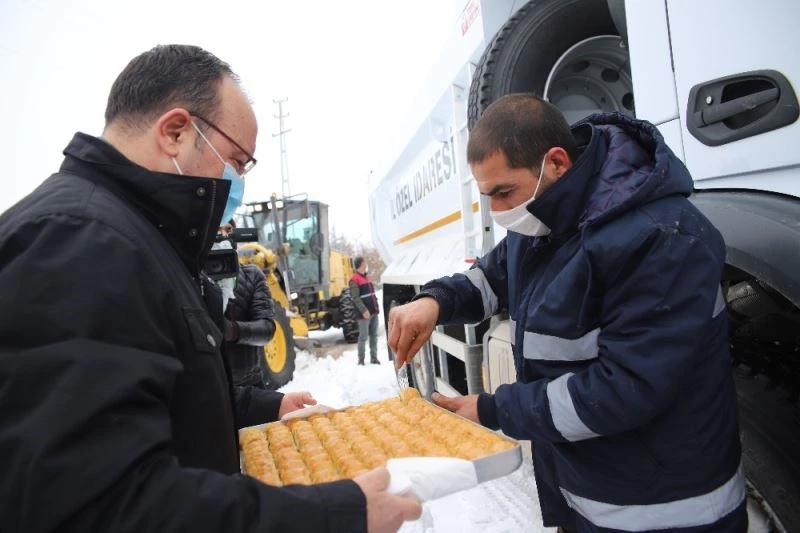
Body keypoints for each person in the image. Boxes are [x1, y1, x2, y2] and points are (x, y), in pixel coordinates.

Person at [0, 44, 420, 533]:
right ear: (176, 132)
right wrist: (330, 513)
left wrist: (263, 405)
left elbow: (162, 401)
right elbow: (98, 503)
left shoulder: (142, 238)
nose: (236, 181)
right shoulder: (78, 240)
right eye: (237, 161)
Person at [388, 94, 745, 533]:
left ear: (556, 162)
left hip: (666, 510)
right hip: (589, 496)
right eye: (487, 196)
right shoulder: (544, 221)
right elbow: (491, 279)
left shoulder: (661, 238)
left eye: (503, 192)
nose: (498, 213)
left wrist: (494, 409)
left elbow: (625, 389)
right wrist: (434, 301)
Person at [218, 219, 278, 389]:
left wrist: (232, 330)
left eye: (228, 229)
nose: (223, 235)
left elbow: (267, 329)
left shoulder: (252, 275)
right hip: (211, 389)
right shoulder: (191, 276)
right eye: (217, 229)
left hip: (249, 384)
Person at [350, 256, 380, 365]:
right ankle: (361, 360)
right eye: (365, 262)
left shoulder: (366, 278)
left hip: (373, 312)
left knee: (374, 335)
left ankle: (374, 358)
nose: (366, 264)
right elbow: (355, 298)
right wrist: (364, 311)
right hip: (364, 314)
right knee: (363, 337)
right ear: (361, 264)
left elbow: (371, 295)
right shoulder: (354, 279)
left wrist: (376, 307)